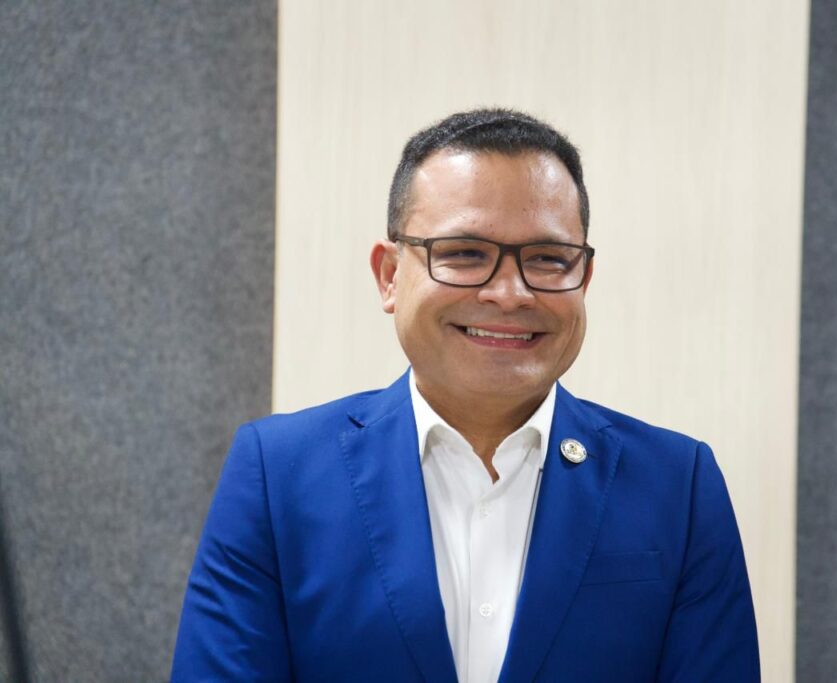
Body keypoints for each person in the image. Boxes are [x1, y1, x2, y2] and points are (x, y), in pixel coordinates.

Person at [170, 109, 759, 682]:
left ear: (584, 278)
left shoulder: (678, 486)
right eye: (464, 254)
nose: (509, 293)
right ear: (389, 276)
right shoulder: (277, 474)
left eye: (548, 259)